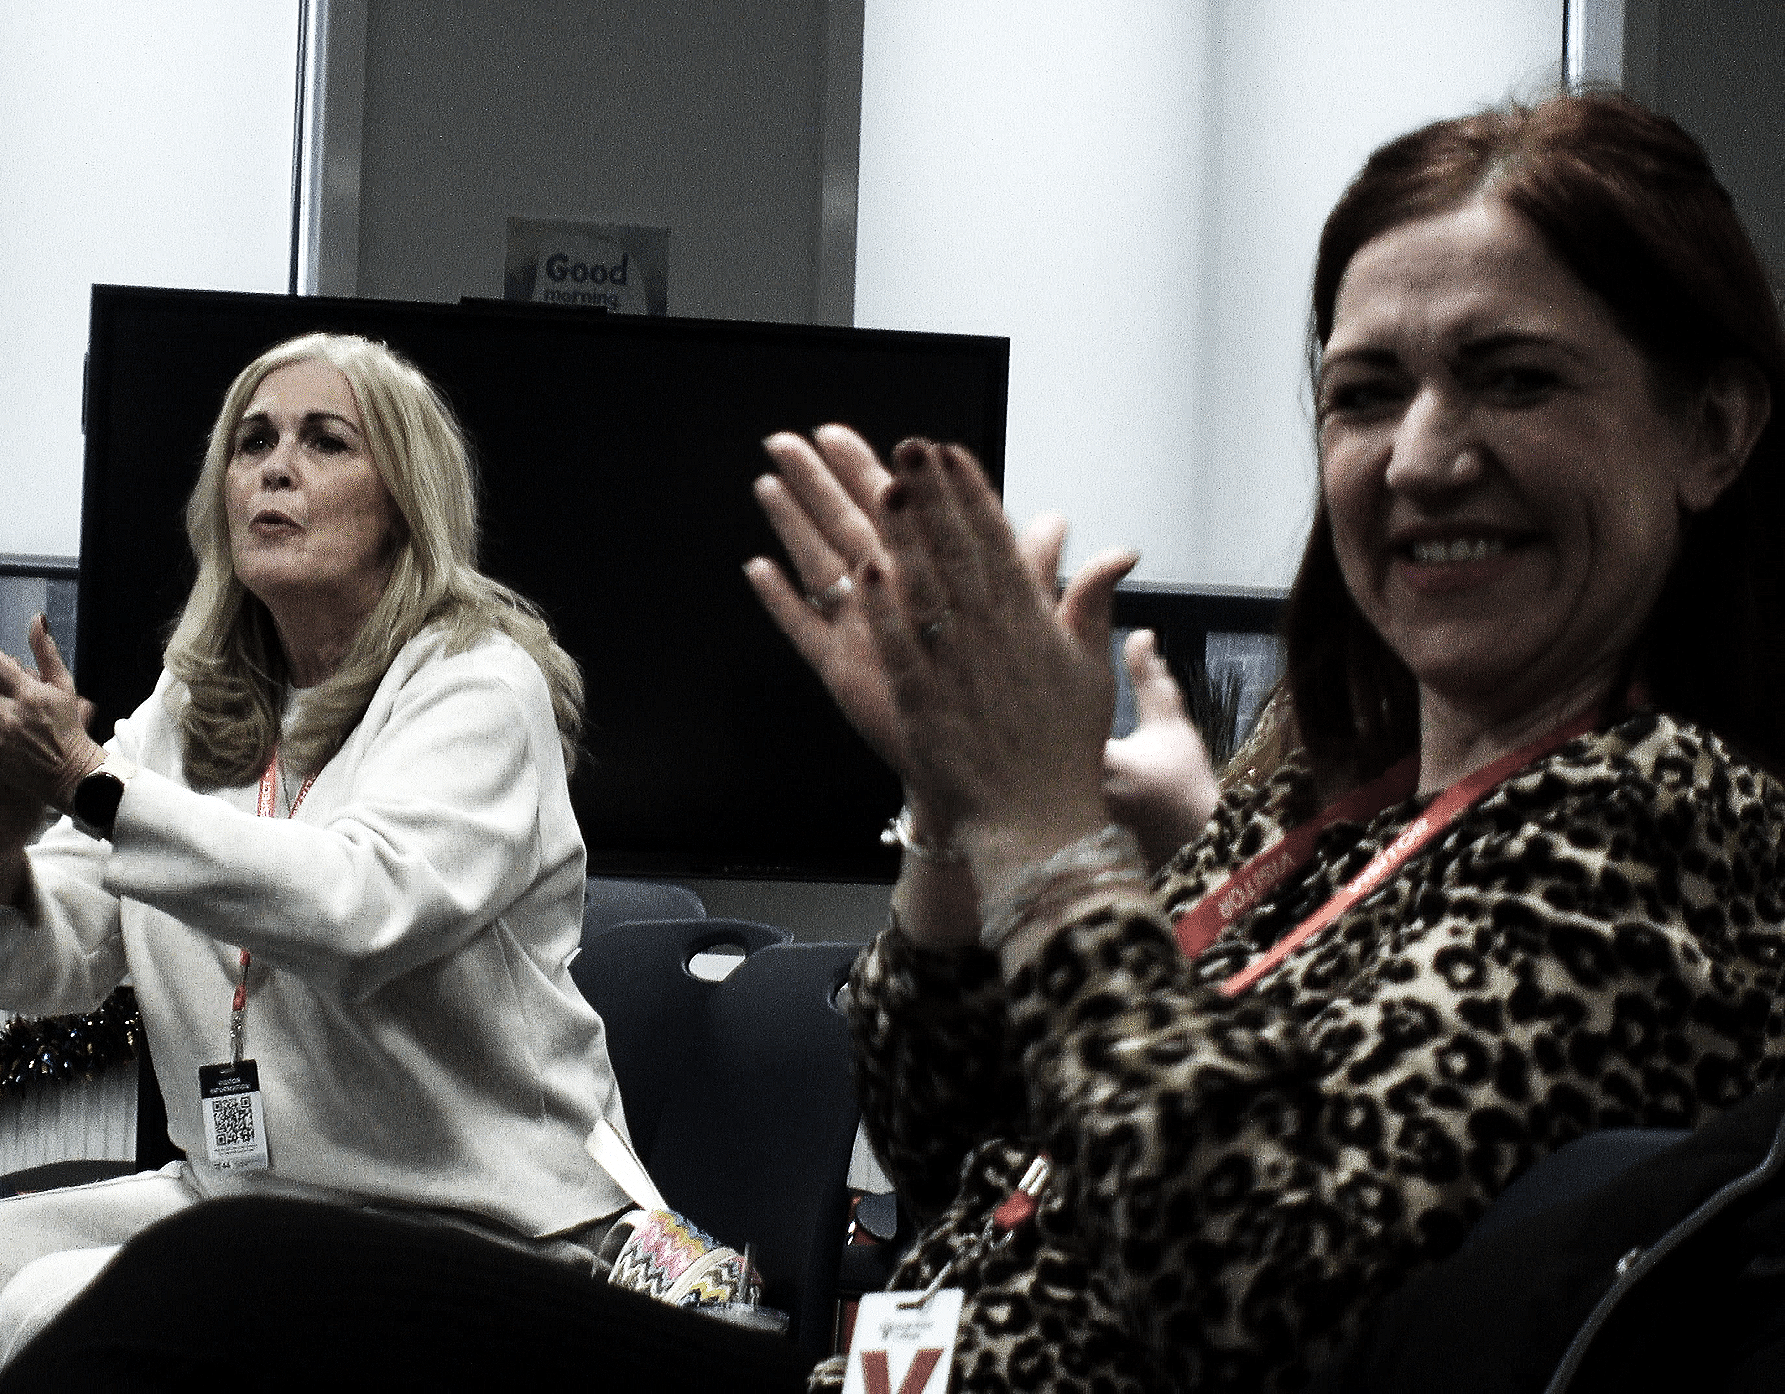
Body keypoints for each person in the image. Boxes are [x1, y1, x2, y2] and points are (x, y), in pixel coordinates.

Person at [743, 89, 1785, 1392]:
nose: (1417, 455)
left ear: (1709, 431)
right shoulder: (1317, 804)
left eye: (1511, 379)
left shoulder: (1663, 816)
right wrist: (956, 814)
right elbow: (943, 1134)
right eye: (1363, 392)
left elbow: (1252, 1291)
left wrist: (1046, 836)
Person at [0, 332, 644, 1392]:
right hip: (244, 1198)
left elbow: (362, 909)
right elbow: (43, 963)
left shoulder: (477, 683)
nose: (275, 466)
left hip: (485, 1224)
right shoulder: (193, 705)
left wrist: (89, 780)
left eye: (326, 441)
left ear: (404, 498)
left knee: (53, 1305)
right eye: (252, 441)